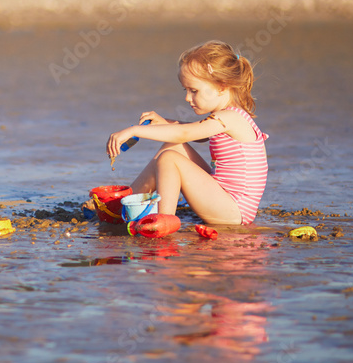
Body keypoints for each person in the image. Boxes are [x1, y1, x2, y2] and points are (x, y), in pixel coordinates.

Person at [105, 40, 269, 225]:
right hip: (224, 199)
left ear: (222, 86)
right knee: (173, 147)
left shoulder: (229, 117)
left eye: (194, 91)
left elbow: (184, 133)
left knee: (169, 158)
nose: (187, 97)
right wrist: (165, 122)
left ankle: (166, 219)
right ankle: (123, 205)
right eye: (186, 90)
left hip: (234, 210)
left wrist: (135, 130)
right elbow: (194, 133)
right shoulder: (225, 117)